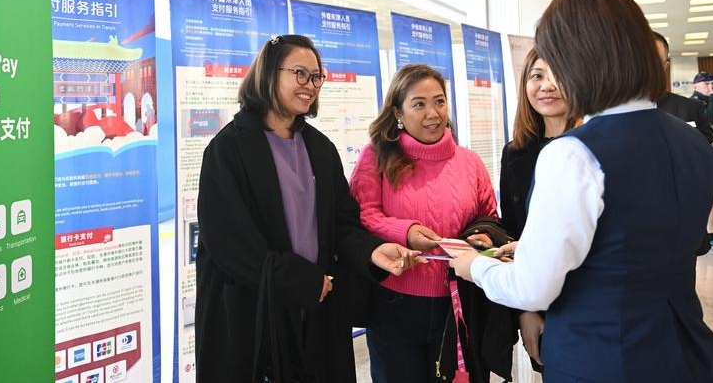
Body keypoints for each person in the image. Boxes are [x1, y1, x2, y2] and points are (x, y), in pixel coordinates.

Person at [449, 0, 713, 382]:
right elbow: (630, 242)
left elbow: (532, 288)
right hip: (687, 350)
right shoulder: (692, 141)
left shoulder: (573, 154)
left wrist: (474, 266)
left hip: (603, 357)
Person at [194, 34, 421, 383]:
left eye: (316, 77)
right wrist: (300, 280)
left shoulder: (319, 148)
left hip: (317, 311)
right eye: (300, 74)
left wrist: (373, 252)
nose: (311, 85)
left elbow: (342, 225)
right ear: (269, 74)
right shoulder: (228, 149)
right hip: (256, 312)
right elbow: (229, 242)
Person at [349, 63, 510, 383]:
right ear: (397, 112)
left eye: (439, 101)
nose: (432, 113)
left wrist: (482, 237)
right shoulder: (376, 156)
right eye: (418, 104)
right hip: (394, 303)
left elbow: (489, 217)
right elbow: (361, 215)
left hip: (460, 301)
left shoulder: (470, 162)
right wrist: (405, 232)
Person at [498, 48, 578, 369]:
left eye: (558, 75)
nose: (547, 85)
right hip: (540, 301)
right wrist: (525, 308)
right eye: (537, 76)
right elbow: (513, 231)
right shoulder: (514, 152)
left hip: (590, 297)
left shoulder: (594, 146)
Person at [653, 33, 713, 253]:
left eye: (654, 59)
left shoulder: (688, 108)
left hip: (682, 223)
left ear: (665, 65)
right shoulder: (608, 111)